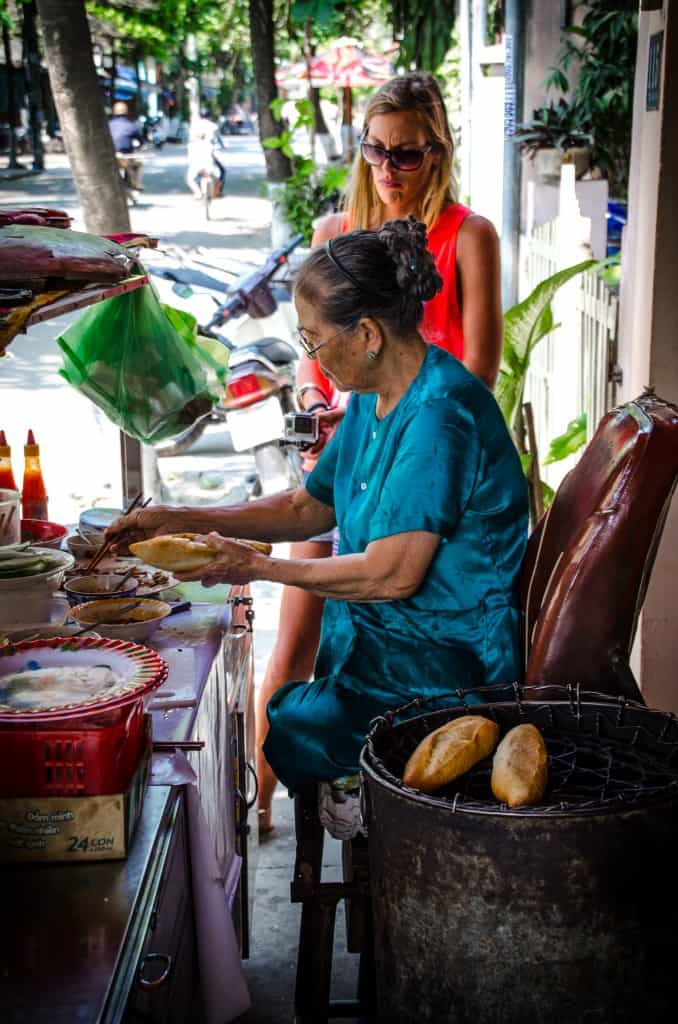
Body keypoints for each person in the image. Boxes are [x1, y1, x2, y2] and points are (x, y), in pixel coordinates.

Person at [106, 218, 528, 801]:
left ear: (368, 334)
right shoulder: (374, 397)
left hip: (445, 668)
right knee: (290, 710)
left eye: (313, 339)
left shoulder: (440, 415)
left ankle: (366, 805)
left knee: (294, 721)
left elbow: (393, 572)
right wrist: (182, 519)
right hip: (386, 649)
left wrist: (256, 567)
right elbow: (307, 507)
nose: (311, 357)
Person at [255, 71, 503, 831]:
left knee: (366, 596)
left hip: (423, 464)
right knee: (297, 629)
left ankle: (333, 785)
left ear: (438, 153)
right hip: (351, 448)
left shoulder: (468, 235)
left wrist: (398, 430)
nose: (390, 172)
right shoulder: (336, 236)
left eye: (408, 156)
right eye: (376, 153)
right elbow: (314, 367)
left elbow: (477, 371)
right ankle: (258, 800)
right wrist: (322, 409)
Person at [186, 111, 226, 199]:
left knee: (190, 179)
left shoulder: (194, 127)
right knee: (222, 172)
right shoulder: (213, 126)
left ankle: (197, 192)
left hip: (195, 157)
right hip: (210, 156)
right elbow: (218, 140)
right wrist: (222, 147)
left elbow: (189, 141)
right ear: (209, 116)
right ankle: (218, 192)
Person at [108, 101, 144, 191]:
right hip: (126, 155)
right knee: (138, 164)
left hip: (111, 155)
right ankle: (136, 184)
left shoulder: (108, 125)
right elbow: (141, 142)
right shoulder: (131, 125)